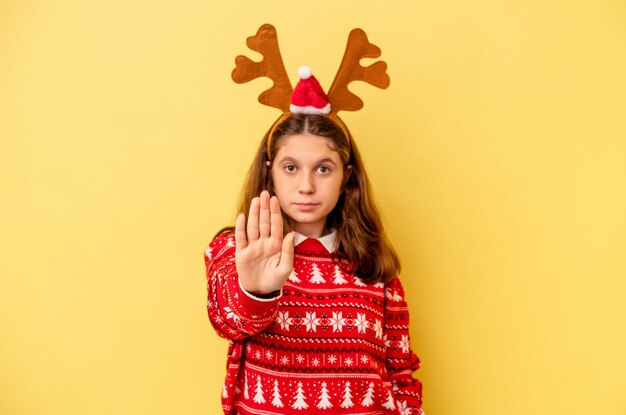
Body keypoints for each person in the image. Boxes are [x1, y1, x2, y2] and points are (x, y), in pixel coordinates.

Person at [205, 24, 424, 415]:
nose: (306, 186)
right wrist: (256, 292)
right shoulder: (237, 249)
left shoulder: (374, 263)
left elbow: (400, 371)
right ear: (270, 171)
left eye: (323, 169)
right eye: (291, 168)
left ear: (347, 175)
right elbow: (229, 320)